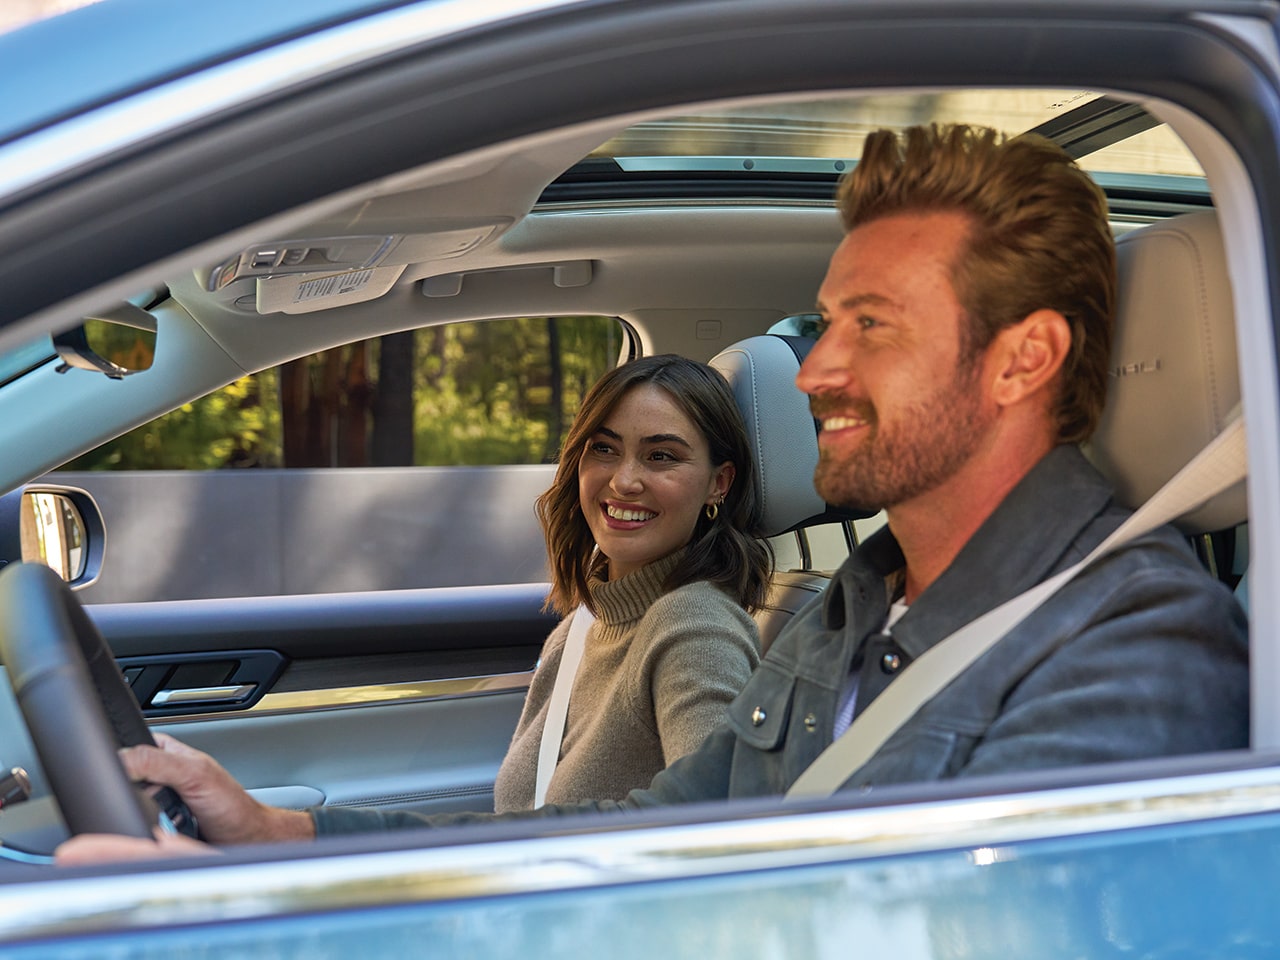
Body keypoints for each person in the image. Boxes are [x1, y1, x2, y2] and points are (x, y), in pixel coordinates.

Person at [57, 123, 1248, 860]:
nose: (815, 369)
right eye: (823, 324)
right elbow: (645, 830)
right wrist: (288, 838)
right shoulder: (851, 608)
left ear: (1021, 359)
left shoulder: (1141, 646)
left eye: (868, 328)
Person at [492, 354, 768, 811]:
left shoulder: (695, 630)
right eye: (604, 448)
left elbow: (715, 823)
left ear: (719, 483)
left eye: (661, 456)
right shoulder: (582, 626)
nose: (623, 481)